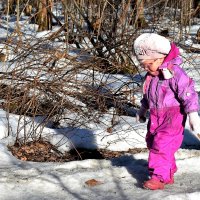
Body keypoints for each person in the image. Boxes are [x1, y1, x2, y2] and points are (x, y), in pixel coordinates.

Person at [133, 33, 200, 190]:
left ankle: (158, 177)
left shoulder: (175, 73)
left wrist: (193, 115)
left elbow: (188, 93)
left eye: (148, 64)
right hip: (156, 116)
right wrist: (142, 109)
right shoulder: (151, 77)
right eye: (143, 65)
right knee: (152, 142)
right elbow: (147, 95)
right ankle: (167, 171)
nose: (145, 68)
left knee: (161, 145)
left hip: (173, 117)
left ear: (160, 58)